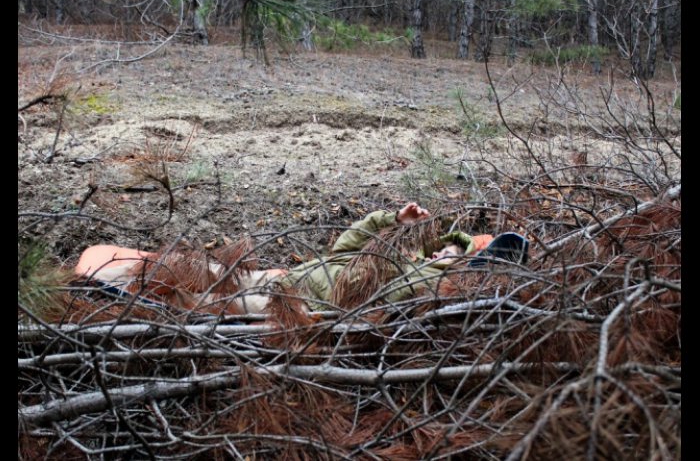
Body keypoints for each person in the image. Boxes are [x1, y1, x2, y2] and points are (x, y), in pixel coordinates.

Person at [74, 203, 526, 314]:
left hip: (296, 306)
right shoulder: (404, 256)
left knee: (208, 304)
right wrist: (391, 220)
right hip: (285, 277)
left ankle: (127, 295)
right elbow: (344, 249)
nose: (445, 252)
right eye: (447, 247)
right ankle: (118, 277)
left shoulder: (428, 289)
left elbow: (367, 314)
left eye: (457, 253)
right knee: (113, 258)